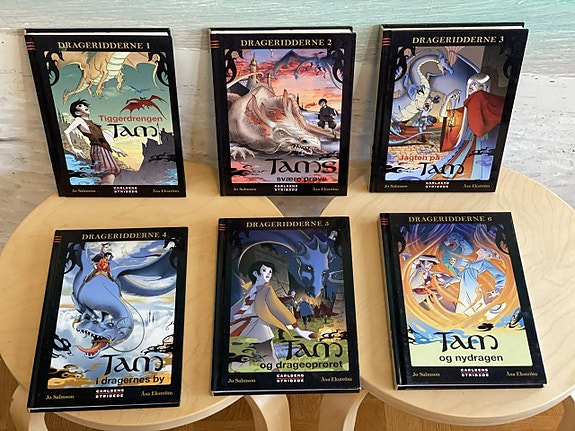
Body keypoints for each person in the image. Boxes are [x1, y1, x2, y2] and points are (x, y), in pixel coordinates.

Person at [230, 261, 313, 369]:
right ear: (256, 273)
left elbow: (278, 308)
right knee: (240, 356)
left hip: (257, 325)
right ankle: (239, 378)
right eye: (264, 270)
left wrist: (298, 330)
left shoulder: (267, 289)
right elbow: (238, 306)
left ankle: (275, 375)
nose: (268, 274)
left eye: (270, 271)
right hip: (241, 325)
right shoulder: (248, 288)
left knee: (268, 355)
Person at [63, 99, 127, 185]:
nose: (85, 106)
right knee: (109, 172)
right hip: (98, 149)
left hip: (103, 149)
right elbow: (66, 132)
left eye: (85, 105)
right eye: (80, 106)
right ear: (77, 113)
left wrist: (114, 149)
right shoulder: (79, 120)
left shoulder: (92, 123)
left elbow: (100, 139)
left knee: (108, 175)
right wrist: (73, 148)